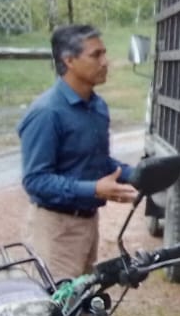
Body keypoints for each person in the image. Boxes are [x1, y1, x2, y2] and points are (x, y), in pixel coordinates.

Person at [18, 24, 137, 282]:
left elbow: (96, 162)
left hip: (88, 225)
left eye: (104, 53)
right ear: (69, 60)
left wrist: (137, 174)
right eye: (96, 55)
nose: (105, 62)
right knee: (58, 303)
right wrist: (94, 189)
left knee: (84, 303)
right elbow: (35, 180)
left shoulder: (97, 106)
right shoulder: (47, 112)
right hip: (55, 230)